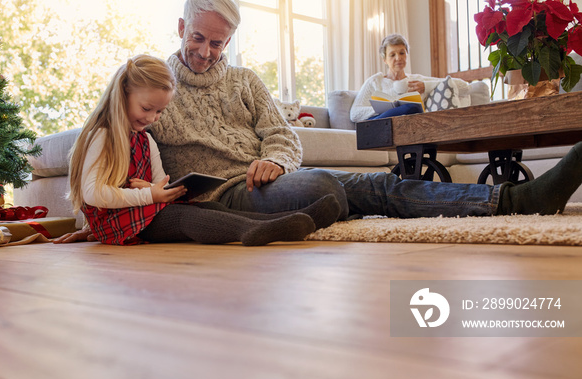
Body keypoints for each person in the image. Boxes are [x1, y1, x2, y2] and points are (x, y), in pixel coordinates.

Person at [57, 0, 582, 242]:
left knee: (371, 187)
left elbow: (283, 134)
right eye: (198, 38)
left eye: (218, 43)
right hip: (221, 195)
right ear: (180, 27)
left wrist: (275, 160)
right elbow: (108, 139)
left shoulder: (244, 80)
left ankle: (513, 201)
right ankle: (511, 200)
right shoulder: (154, 91)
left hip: (266, 179)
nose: (206, 51)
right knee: (340, 187)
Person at [60, 54, 341, 246]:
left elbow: (160, 183)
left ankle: (291, 221)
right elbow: (93, 193)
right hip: (118, 223)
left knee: (208, 206)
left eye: (159, 112)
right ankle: (251, 231)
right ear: (122, 94)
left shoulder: (146, 140)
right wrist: (148, 194)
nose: (152, 119)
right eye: (147, 108)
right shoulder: (103, 135)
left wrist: (161, 190)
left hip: (145, 211)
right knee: (183, 217)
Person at [350, 33, 469, 122]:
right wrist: (386, 110)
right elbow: (354, 114)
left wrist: (426, 86)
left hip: (412, 127)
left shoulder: (417, 80)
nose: (398, 58)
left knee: (414, 109)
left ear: (407, 54)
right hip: (383, 124)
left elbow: (464, 86)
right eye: (392, 55)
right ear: (384, 59)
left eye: (402, 53)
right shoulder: (375, 81)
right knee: (411, 108)